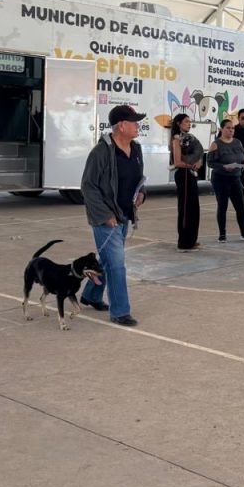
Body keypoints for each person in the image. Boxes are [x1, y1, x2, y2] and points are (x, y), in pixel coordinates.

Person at [79, 105, 146, 327]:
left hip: (125, 215)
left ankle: (91, 295)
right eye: (134, 122)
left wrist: (142, 194)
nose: (138, 125)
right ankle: (120, 311)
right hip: (106, 219)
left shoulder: (136, 149)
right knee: (116, 265)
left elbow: (138, 179)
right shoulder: (101, 152)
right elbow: (88, 186)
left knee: (108, 260)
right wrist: (105, 215)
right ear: (121, 126)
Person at [207, 118, 244, 242]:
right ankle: (222, 234)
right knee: (222, 206)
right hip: (220, 179)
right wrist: (223, 167)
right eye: (228, 128)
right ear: (221, 129)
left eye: (232, 128)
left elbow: (242, 157)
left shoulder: (237, 142)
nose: (231, 130)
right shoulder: (216, 144)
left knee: (240, 206)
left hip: (235, 178)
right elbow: (210, 163)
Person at [171, 113, 203, 252]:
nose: (189, 124)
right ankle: (183, 242)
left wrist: (199, 162)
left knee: (194, 209)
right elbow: (177, 162)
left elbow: (199, 155)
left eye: (190, 121)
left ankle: (191, 239)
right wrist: (191, 165)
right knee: (185, 209)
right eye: (186, 121)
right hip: (183, 175)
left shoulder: (191, 138)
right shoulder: (176, 140)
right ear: (179, 123)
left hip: (190, 175)